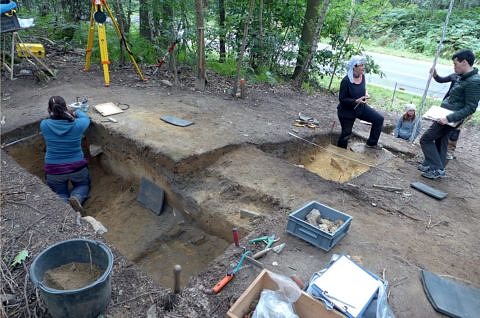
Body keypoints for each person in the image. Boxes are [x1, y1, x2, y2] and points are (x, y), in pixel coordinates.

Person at [419, 49, 480, 179]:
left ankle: (437, 168)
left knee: (426, 139)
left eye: (455, 64)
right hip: (445, 114)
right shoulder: (463, 77)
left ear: (464, 62)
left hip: (450, 118)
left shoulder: (474, 81)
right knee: (441, 140)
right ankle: (435, 167)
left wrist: (448, 118)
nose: (454, 67)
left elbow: (471, 107)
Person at [40, 96, 91, 214]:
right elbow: (85, 117)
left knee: (60, 192)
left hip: (54, 169)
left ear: (49, 109)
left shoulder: (44, 125)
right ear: (65, 107)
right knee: (83, 185)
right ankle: (77, 197)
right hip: (77, 167)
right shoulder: (79, 124)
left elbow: (51, 119)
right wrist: (75, 111)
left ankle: (64, 203)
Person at [337, 55, 384, 149]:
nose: (363, 67)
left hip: (361, 108)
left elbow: (362, 89)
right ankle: (340, 152)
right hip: (347, 111)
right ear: (354, 67)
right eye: (361, 65)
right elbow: (342, 99)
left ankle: (372, 143)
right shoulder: (346, 81)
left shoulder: (362, 77)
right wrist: (355, 101)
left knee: (379, 119)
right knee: (346, 133)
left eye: (363, 65)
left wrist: (366, 94)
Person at [431, 68, 461, 160]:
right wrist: (435, 74)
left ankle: (449, 151)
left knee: (453, 131)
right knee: (441, 131)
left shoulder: (471, 81)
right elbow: (441, 80)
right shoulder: (454, 76)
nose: (454, 67)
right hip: (446, 108)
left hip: (458, 111)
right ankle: (438, 154)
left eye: (456, 64)